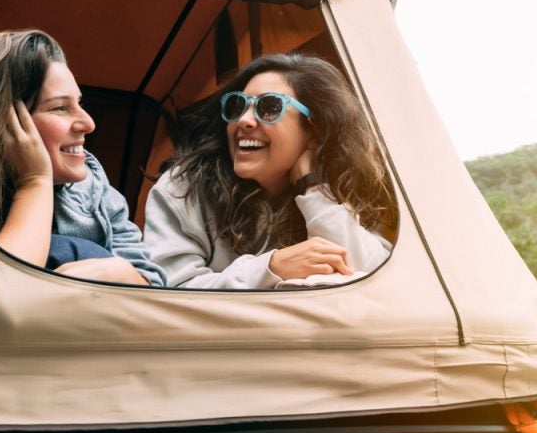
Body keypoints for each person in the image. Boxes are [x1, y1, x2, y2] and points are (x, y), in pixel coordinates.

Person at [0, 29, 165, 286]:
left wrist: (126, 275)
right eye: (60, 108)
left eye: (79, 104)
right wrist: (35, 180)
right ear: (2, 123)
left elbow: (153, 286)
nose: (88, 123)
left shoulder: (93, 186)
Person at [143, 52, 397, 289]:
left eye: (270, 107)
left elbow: (375, 280)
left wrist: (315, 189)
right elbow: (169, 290)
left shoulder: (343, 186)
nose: (243, 120)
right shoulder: (183, 187)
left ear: (314, 130)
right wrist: (270, 268)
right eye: (238, 105)